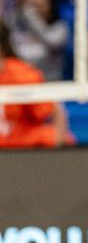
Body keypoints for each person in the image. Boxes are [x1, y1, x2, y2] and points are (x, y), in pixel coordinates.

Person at [0, 20, 68, 148]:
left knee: (50, 136)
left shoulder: (22, 74)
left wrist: (58, 148)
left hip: (21, 143)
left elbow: (56, 110)